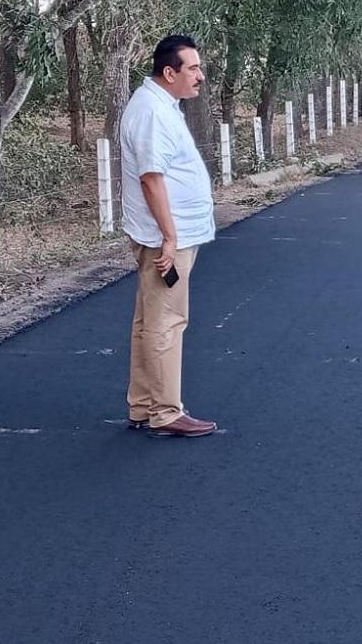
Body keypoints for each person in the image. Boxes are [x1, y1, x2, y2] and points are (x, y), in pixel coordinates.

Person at [120, 35, 217, 437]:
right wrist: (170, 237)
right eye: (193, 68)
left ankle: (143, 405)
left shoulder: (162, 105)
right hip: (165, 238)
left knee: (150, 320)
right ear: (169, 72)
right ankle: (165, 411)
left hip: (169, 233)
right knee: (167, 321)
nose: (200, 76)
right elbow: (151, 179)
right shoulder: (152, 112)